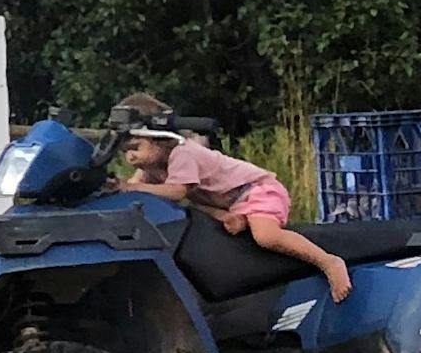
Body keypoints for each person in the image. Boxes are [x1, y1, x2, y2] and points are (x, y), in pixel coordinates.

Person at [114, 109, 354, 303]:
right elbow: (128, 190)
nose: (130, 158)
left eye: (136, 148)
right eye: (125, 152)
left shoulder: (181, 154)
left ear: (160, 142)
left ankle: (329, 262)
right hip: (229, 205)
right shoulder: (150, 167)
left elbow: (176, 192)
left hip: (256, 190)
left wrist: (133, 187)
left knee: (266, 237)